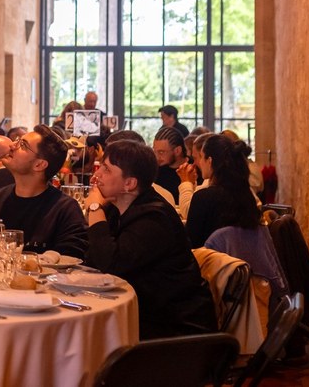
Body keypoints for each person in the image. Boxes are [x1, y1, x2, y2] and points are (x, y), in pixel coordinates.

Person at [84, 140, 216, 339]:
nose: (97, 175)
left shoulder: (154, 218)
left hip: (174, 332)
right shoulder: (117, 209)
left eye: (106, 169)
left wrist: (94, 209)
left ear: (129, 184)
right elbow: (93, 259)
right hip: (141, 316)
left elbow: (110, 263)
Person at [0, 125, 87, 257]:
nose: (12, 146)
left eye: (23, 145)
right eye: (17, 141)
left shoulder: (65, 210)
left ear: (39, 165)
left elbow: (71, 263)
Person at [186, 134, 261, 249]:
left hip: (214, 264)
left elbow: (191, 246)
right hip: (245, 263)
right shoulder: (246, 195)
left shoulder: (203, 198)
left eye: (201, 157)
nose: (198, 163)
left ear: (209, 161)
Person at [152, 126, 188, 203]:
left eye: (161, 152)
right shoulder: (154, 170)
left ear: (177, 151)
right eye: (155, 151)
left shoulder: (193, 169)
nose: (157, 157)